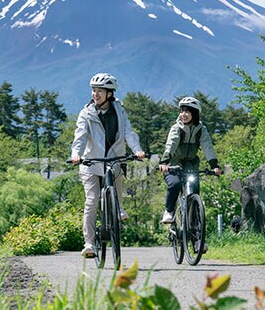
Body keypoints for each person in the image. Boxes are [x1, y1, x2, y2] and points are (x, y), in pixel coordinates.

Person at [71, 72, 146, 258]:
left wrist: (137, 149)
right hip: (90, 162)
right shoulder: (86, 113)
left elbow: (128, 132)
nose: (95, 94)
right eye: (94, 90)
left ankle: (118, 208)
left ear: (109, 94)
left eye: (100, 91)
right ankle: (89, 243)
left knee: (116, 180)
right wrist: (76, 154)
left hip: (113, 159)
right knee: (92, 200)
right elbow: (80, 136)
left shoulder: (119, 111)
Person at [158, 96, 222, 225]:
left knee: (194, 191)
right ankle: (169, 211)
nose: (183, 114)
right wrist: (164, 162)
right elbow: (171, 144)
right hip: (173, 164)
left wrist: (214, 165)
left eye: (187, 111)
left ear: (195, 114)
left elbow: (207, 146)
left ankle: (197, 234)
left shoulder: (201, 130)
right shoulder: (176, 128)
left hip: (191, 165)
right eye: (181, 111)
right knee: (175, 184)